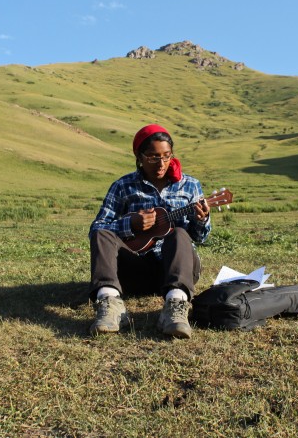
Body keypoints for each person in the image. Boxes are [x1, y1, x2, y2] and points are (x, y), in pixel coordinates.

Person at [88, 124, 211, 338]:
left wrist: (202, 220)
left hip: (176, 270)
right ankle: (110, 304)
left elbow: (199, 237)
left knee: (179, 233)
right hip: (134, 271)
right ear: (139, 156)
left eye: (166, 156)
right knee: (102, 234)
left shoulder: (190, 185)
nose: (161, 163)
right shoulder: (123, 186)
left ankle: (176, 306)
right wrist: (131, 224)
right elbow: (98, 228)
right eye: (153, 157)